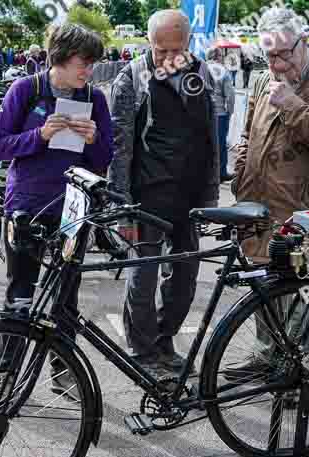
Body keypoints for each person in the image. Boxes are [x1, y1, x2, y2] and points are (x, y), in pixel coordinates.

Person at [0, 22, 113, 403]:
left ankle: (63, 371)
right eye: (83, 62)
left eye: (92, 63)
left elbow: (104, 159)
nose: (88, 70)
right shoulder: (25, 90)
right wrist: (39, 135)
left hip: (73, 209)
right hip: (26, 204)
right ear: (60, 57)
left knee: (66, 296)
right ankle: (6, 373)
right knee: (20, 292)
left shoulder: (94, 98)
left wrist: (94, 139)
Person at [231, 8, 309, 366]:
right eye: (269, 55)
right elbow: (247, 132)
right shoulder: (260, 79)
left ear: (304, 41)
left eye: (284, 54)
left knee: (301, 290)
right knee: (261, 285)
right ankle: (265, 356)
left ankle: (303, 367)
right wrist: (240, 173)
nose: (278, 64)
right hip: (255, 204)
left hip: (301, 210)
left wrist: (293, 105)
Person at [107, 9, 219, 377]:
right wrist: (121, 206)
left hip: (188, 198)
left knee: (185, 280)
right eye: (161, 50)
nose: (169, 58)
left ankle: (164, 337)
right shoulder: (131, 78)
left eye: (177, 50)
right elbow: (119, 147)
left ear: (189, 43)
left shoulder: (202, 73)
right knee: (143, 279)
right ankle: (142, 351)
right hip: (146, 197)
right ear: (148, 42)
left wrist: (210, 195)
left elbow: (209, 138)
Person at [207, 47, 235, 181]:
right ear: (218, 56)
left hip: (202, 113)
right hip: (219, 113)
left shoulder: (200, 69)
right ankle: (221, 172)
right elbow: (230, 96)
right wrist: (230, 112)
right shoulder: (223, 71)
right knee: (220, 145)